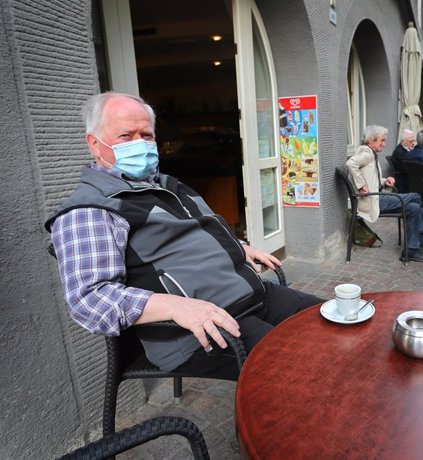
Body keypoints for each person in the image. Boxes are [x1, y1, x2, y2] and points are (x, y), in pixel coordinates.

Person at [45, 92, 323, 378]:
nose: (139, 144)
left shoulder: (165, 185)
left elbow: (199, 232)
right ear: (94, 143)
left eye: (146, 135)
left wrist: (240, 248)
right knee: (306, 367)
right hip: (200, 331)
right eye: (126, 136)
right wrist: (175, 306)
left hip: (253, 296)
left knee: (333, 321)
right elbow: (89, 299)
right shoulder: (89, 211)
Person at [345, 125, 423, 263]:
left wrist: (384, 180)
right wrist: (361, 185)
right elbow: (350, 163)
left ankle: (410, 251)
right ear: (371, 141)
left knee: (413, 208)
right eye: (381, 141)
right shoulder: (367, 153)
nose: (384, 144)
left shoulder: (368, 152)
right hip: (373, 201)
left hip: (375, 197)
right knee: (417, 197)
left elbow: (371, 178)